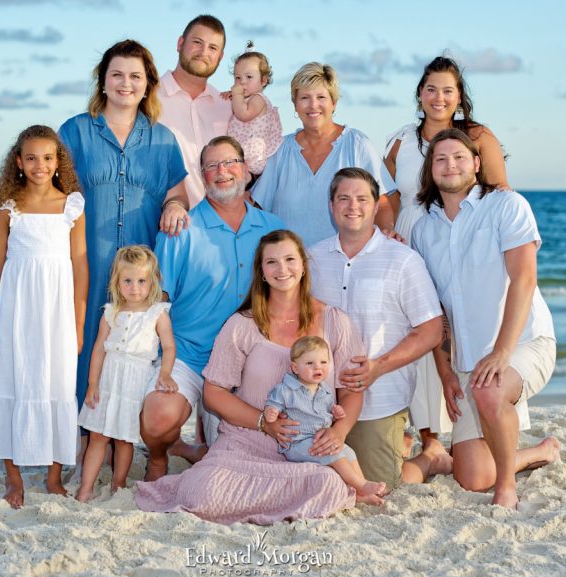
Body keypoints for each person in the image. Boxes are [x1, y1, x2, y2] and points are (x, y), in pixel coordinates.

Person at [135, 230, 369, 524]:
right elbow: (214, 392)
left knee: (328, 485)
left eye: (289, 259)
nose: (282, 269)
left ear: (303, 265)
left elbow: (352, 389)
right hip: (247, 442)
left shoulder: (335, 321)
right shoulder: (242, 324)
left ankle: (266, 500)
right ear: (261, 271)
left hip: (307, 447)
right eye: (272, 262)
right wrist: (263, 423)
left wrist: (339, 432)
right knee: (201, 493)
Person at [409, 128, 560, 509]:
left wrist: (502, 353)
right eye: (440, 159)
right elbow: (436, 313)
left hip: (524, 343)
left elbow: (524, 279)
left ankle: (506, 489)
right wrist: (446, 373)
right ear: (430, 170)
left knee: (490, 390)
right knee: (473, 477)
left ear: (476, 164)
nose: (450, 165)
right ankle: (538, 452)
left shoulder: (507, 206)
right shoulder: (424, 230)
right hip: (468, 362)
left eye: (459, 157)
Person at [383, 56, 510, 458]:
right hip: (410, 239)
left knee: (453, 327)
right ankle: (428, 435)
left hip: (460, 239)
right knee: (414, 331)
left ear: (459, 97)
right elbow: (389, 197)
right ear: (420, 94)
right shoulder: (401, 140)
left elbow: (500, 193)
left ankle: (466, 425)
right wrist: (386, 234)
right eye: (431, 89)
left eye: (448, 90)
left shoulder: (477, 136)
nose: (439, 97)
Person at [140, 136, 284, 481]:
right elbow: (157, 300)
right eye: (212, 166)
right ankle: (161, 455)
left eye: (230, 162)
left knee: (238, 462)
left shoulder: (274, 229)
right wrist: (153, 357)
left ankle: (203, 443)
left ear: (246, 170)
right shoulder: (179, 229)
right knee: (158, 418)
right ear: (202, 175)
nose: (222, 171)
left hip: (246, 361)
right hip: (189, 354)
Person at [59, 39, 188, 411]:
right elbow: (52, 192)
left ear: (147, 84)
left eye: (135, 76)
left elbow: (179, 195)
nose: (125, 83)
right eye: (117, 75)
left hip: (138, 275)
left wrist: (175, 205)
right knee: (80, 342)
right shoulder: (74, 131)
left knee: (131, 353)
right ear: (103, 81)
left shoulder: (163, 140)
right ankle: (76, 432)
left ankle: (122, 433)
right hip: (85, 262)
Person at [308, 168, 446, 492]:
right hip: (320, 399)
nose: (352, 206)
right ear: (331, 205)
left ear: (375, 206)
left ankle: (430, 457)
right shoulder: (311, 259)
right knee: (322, 475)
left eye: (362, 199)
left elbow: (431, 330)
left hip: (380, 396)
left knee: (377, 484)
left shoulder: (402, 260)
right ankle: (400, 441)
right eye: (344, 198)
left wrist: (378, 367)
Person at [0, 125, 89, 509]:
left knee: (58, 384)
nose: (40, 165)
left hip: (58, 309)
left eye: (47, 157)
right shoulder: (9, 208)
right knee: (13, 380)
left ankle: (53, 477)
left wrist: (78, 323)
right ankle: (14, 478)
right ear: (18, 163)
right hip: (17, 307)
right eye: (31, 158)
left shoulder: (72, 206)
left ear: (58, 162)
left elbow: (79, 263)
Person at [251, 62, 397, 247]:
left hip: (345, 261)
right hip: (287, 263)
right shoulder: (279, 149)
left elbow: (383, 205)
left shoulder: (357, 144)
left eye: (321, 97)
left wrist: (385, 240)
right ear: (295, 104)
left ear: (333, 103)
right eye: (305, 97)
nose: (313, 105)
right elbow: (258, 209)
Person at [75, 246, 174, 502]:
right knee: (97, 435)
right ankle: (86, 487)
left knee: (123, 439)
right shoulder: (111, 312)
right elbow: (99, 349)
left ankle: (118, 482)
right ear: (117, 282)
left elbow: (169, 347)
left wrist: (165, 374)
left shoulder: (157, 314)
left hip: (134, 381)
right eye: (127, 281)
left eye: (141, 281)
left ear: (152, 282)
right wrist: (93, 383)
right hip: (109, 379)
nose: (134, 288)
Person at [265, 335, 387, 504]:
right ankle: (362, 485)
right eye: (310, 363)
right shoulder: (286, 390)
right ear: (295, 368)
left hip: (318, 440)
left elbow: (328, 412)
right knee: (333, 452)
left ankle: (359, 492)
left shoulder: (325, 391)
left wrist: (336, 412)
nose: (318, 367)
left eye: (323, 362)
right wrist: (271, 412)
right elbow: (273, 404)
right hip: (298, 443)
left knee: (348, 452)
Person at [157, 14, 233, 208]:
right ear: (180, 43)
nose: (203, 52)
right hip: (162, 219)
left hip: (218, 221)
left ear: (220, 57)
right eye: (197, 42)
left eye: (213, 48)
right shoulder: (147, 98)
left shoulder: (227, 107)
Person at [226, 42, 283, 175]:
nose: (242, 82)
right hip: (240, 157)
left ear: (263, 81)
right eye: (238, 77)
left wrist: (237, 95)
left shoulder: (259, 99)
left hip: (252, 161)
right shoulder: (246, 98)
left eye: (249, 77)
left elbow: (243, 114)